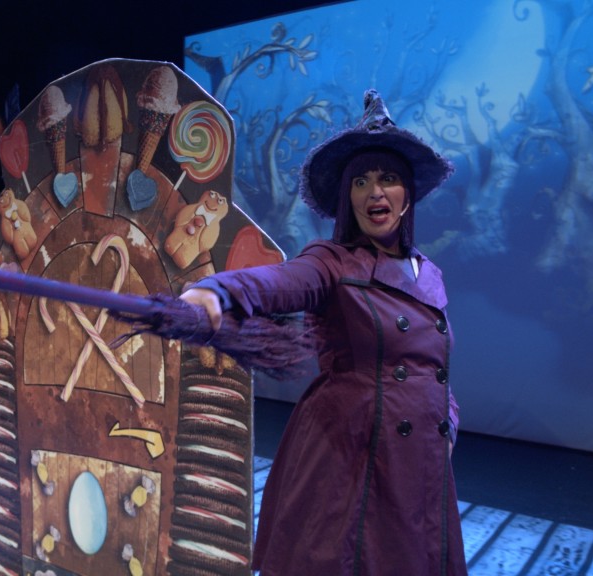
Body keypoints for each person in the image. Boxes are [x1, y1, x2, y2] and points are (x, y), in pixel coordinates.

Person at [179, 89, 467, 575]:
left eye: (388, 179)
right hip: (350, 456)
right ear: (347, 197)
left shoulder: (429, 273)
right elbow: (281, 282)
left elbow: (433, 367)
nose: (375, 192)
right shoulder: (333, 262)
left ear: (408, 194)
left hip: (419, 464)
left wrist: (448, 420)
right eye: (361, 181)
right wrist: (218, 291)